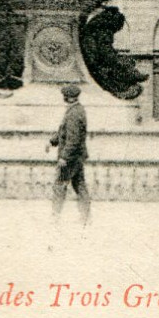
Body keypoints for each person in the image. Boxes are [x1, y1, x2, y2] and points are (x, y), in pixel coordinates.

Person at [47, 83, 91, 225]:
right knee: (79, 185)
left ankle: (55, 216)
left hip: (71, 158)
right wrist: (52, 141)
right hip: (77, 157)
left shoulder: (73, 114)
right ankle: (86, 217)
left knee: (59, 185)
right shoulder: (77, 110)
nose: (64, 99)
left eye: (65, 96)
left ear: (69, 98)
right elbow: (63, 132)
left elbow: (73, 139)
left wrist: (64, 157)